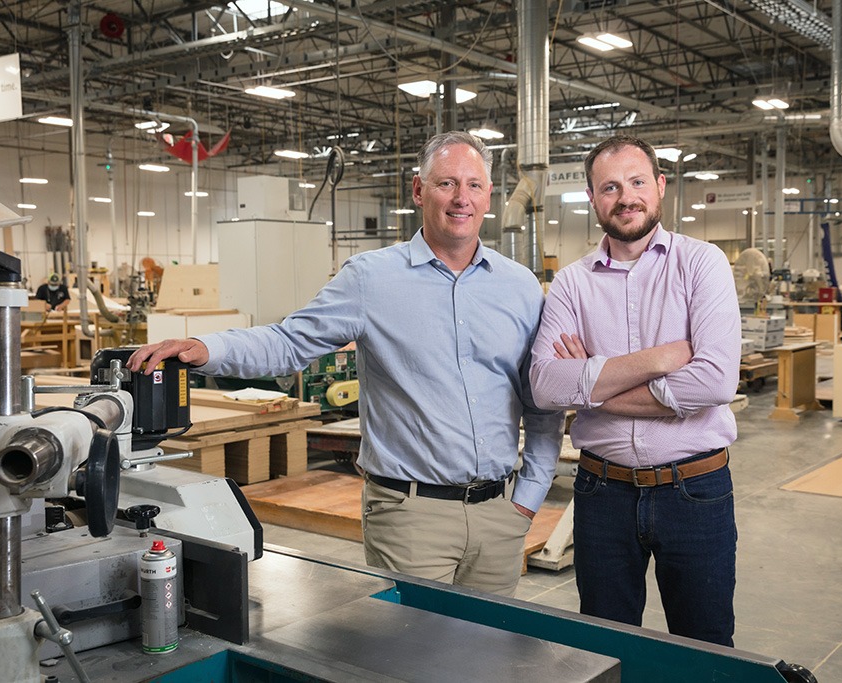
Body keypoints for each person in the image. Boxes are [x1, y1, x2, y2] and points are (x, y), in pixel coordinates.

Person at [128, 131, 564, 597]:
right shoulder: (370, 279)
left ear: (489, 196)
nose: (462, 199)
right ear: (418, 190)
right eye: (447, 184)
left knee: (493, 657)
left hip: (500, 516)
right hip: (411, 518)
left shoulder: (519, 287)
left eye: (474, 185)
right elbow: (289, 342)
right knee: (412, 660)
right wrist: (207, 348)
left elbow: (541, 396)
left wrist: (529, 496)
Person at [529, 135, 742, 646]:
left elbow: (715, 379)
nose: (626, 196)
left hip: (695, 491)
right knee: (604, 648)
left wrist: (593, 388)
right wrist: (660, 360)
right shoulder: (572, 284)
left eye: (637, 181)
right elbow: (543, 384)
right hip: (603, 494)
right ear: (592, 198)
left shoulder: (702, 263)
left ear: (660, 186)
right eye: (610, 187)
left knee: (705, 647)